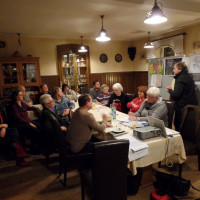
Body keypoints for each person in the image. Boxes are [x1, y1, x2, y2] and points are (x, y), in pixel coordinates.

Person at [166, 62, 198, 131]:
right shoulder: (187, 77)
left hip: (183, 108)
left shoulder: (181, 78)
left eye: (174, 68)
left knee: (179, 126)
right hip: (190, 106)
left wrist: (169, 90)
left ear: (180, 69)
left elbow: (176, 94)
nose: (173, 70)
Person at [11, 90, 41, 154]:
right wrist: (29, 123)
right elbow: (18, 118)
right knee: (35, 130)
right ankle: (33, 149)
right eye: (20, 95)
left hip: (28, 121)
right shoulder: (14, 106)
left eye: (22, 95)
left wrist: (36, 108)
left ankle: (40, 147)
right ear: (16, 97)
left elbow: (29, 107)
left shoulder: (22, 103)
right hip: (20, 124)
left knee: (40, 125)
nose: (22, 96)